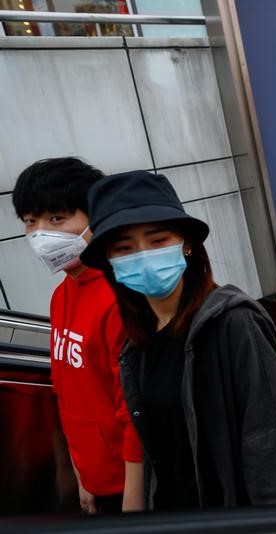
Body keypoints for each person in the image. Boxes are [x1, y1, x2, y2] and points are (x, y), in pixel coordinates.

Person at [79, 170, 276, 510]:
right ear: (111, 264)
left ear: (185, 244)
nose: (143, 256)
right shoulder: (137, 345)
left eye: (158, 241)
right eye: (124, 248)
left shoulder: (234, 322)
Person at [12, 158, 144, 514]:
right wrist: (80, 473)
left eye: (56, 218)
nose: (40, 234)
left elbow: (133, 411)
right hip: (94, 478)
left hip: (129, 485)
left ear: (95, 218)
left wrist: (134, 502)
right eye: (30, 222)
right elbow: (66, 389)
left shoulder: (122, 299)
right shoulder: (61, 295)